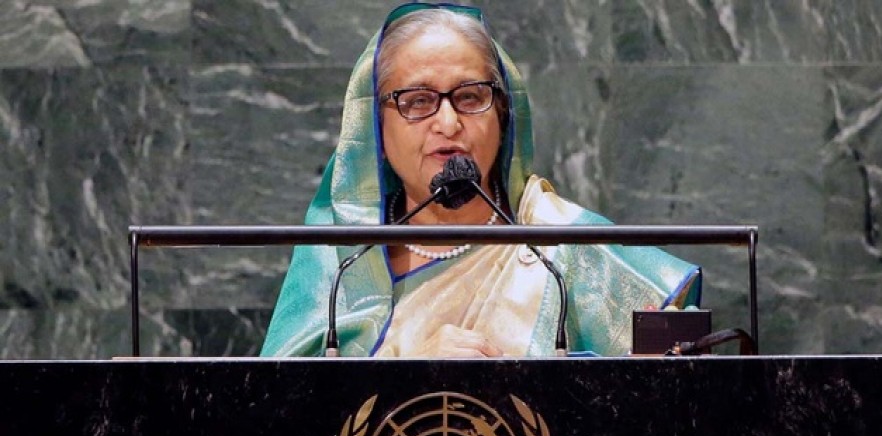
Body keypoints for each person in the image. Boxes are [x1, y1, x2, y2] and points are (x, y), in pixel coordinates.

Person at [260, 2, 701, 358]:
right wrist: (408, 364)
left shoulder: (562, 248)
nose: (448, 123)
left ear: (503, 116)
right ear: (376, 128)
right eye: (418, 101)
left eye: (470, 97)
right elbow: (277, 423)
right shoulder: (338, 264)